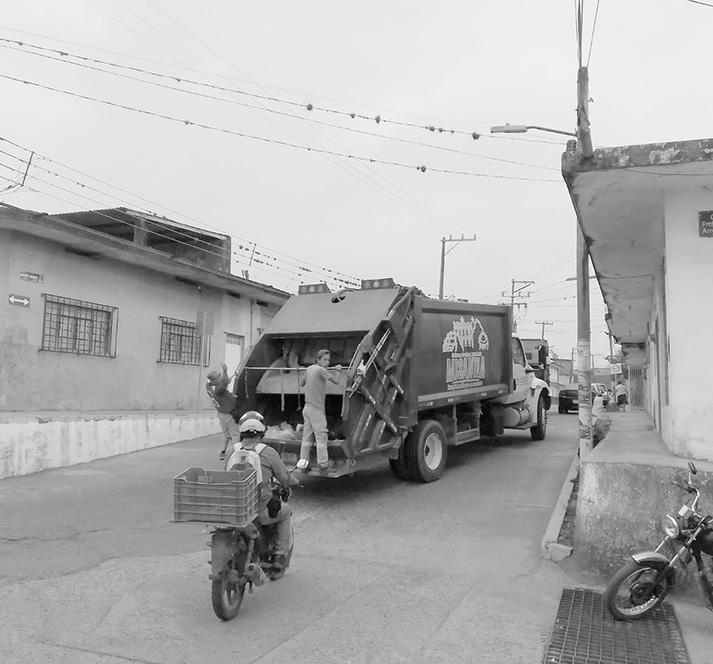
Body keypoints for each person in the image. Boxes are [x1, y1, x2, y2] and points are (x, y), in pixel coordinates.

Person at [233, 417, 300, 572]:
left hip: (234, 507)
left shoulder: (232, 450)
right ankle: (280, 555)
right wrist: (295, 482)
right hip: (257, 508)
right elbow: (284, 477)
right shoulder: (267, 452)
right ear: (261, 434)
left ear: (242, 434)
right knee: (286, 511)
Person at [296, 349, 342, 472]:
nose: (327, 362)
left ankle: (303, 464)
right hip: (316, 410)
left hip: (307, 408)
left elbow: (301, 383)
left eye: (328, 360)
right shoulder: (321, 370)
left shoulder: (309, 369)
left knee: (306, 438)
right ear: (318, 360)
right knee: (321, 438)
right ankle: (323, 466)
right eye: (325, 360)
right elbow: (337, 381)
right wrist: (338, 370)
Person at [206, 363, 239, 460]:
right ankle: (236, 453)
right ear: (214, 381)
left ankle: (223, 451)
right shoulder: (219, 390)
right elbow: (224, 383)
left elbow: (224, 382)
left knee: (225, 433)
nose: (220, 378)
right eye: (218, 377)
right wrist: (225, 371)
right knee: (235, 434)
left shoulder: (208, 387)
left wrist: (226, 381)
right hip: (228, 414)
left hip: (220, 413)